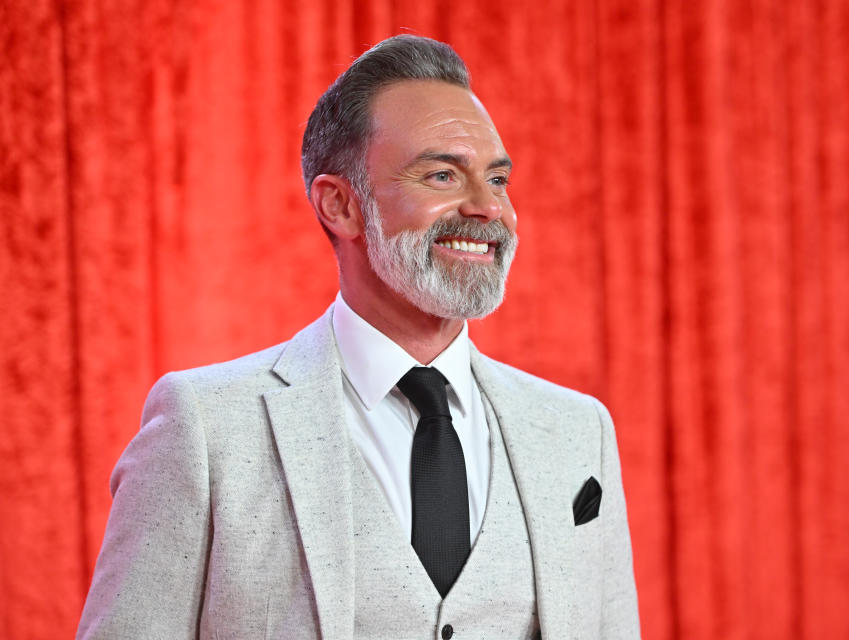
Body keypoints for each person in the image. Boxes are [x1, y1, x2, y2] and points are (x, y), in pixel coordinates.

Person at [77, 35, 641, 639]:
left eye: (497, 179)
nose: (487, 208)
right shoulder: (205, 428)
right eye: (443, 174)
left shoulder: (578, 432)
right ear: (340, 206)